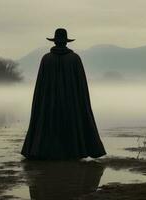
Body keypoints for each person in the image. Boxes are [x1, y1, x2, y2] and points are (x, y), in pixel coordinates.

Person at [21, 28, 106, 159]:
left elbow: (40, 87)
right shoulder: (74, 59)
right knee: (71, 124)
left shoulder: (46, 59)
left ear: (55, 42)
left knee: (48, 123)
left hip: (49, 103)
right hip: (71, 103)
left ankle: (45, 152)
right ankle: (73, 152)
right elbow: (81, 87)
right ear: (66, 42)